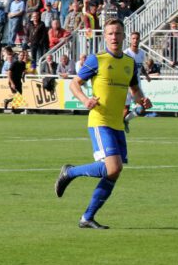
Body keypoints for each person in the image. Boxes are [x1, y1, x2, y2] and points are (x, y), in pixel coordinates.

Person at [55, 20, 152, 229]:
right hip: (100, 120)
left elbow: (135, 90)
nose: (114, 37)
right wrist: (85, 100)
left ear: (123, 36)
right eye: (110, 33)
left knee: (114, 172)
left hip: (117, 123)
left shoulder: (129, 63)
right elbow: (74, 84)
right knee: (113, 167)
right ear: (105, 37)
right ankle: (69, 172)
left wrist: (142, 100)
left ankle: (87, 217)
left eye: (118, 33)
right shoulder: (96, 60)